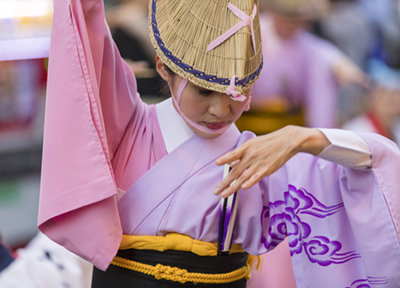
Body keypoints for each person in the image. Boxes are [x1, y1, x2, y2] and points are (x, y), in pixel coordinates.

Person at [38, 0, 400, 287]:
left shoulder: (260, 158)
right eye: (203, 90)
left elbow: (377, 167)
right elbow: (83, 31)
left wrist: (304, 137)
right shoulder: (127, 123)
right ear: (163, 67)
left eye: (240, 91)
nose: (221, 108)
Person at [248, 0, 367, 129]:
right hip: (246, 111)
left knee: (320, 68)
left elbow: (322, 53)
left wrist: (339, 65)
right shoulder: (252, 30)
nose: (293, 25)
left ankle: (320, 135)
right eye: (289, 18)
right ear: (273, 13)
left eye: (298, 21)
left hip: (287, 117)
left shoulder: (303, 43)